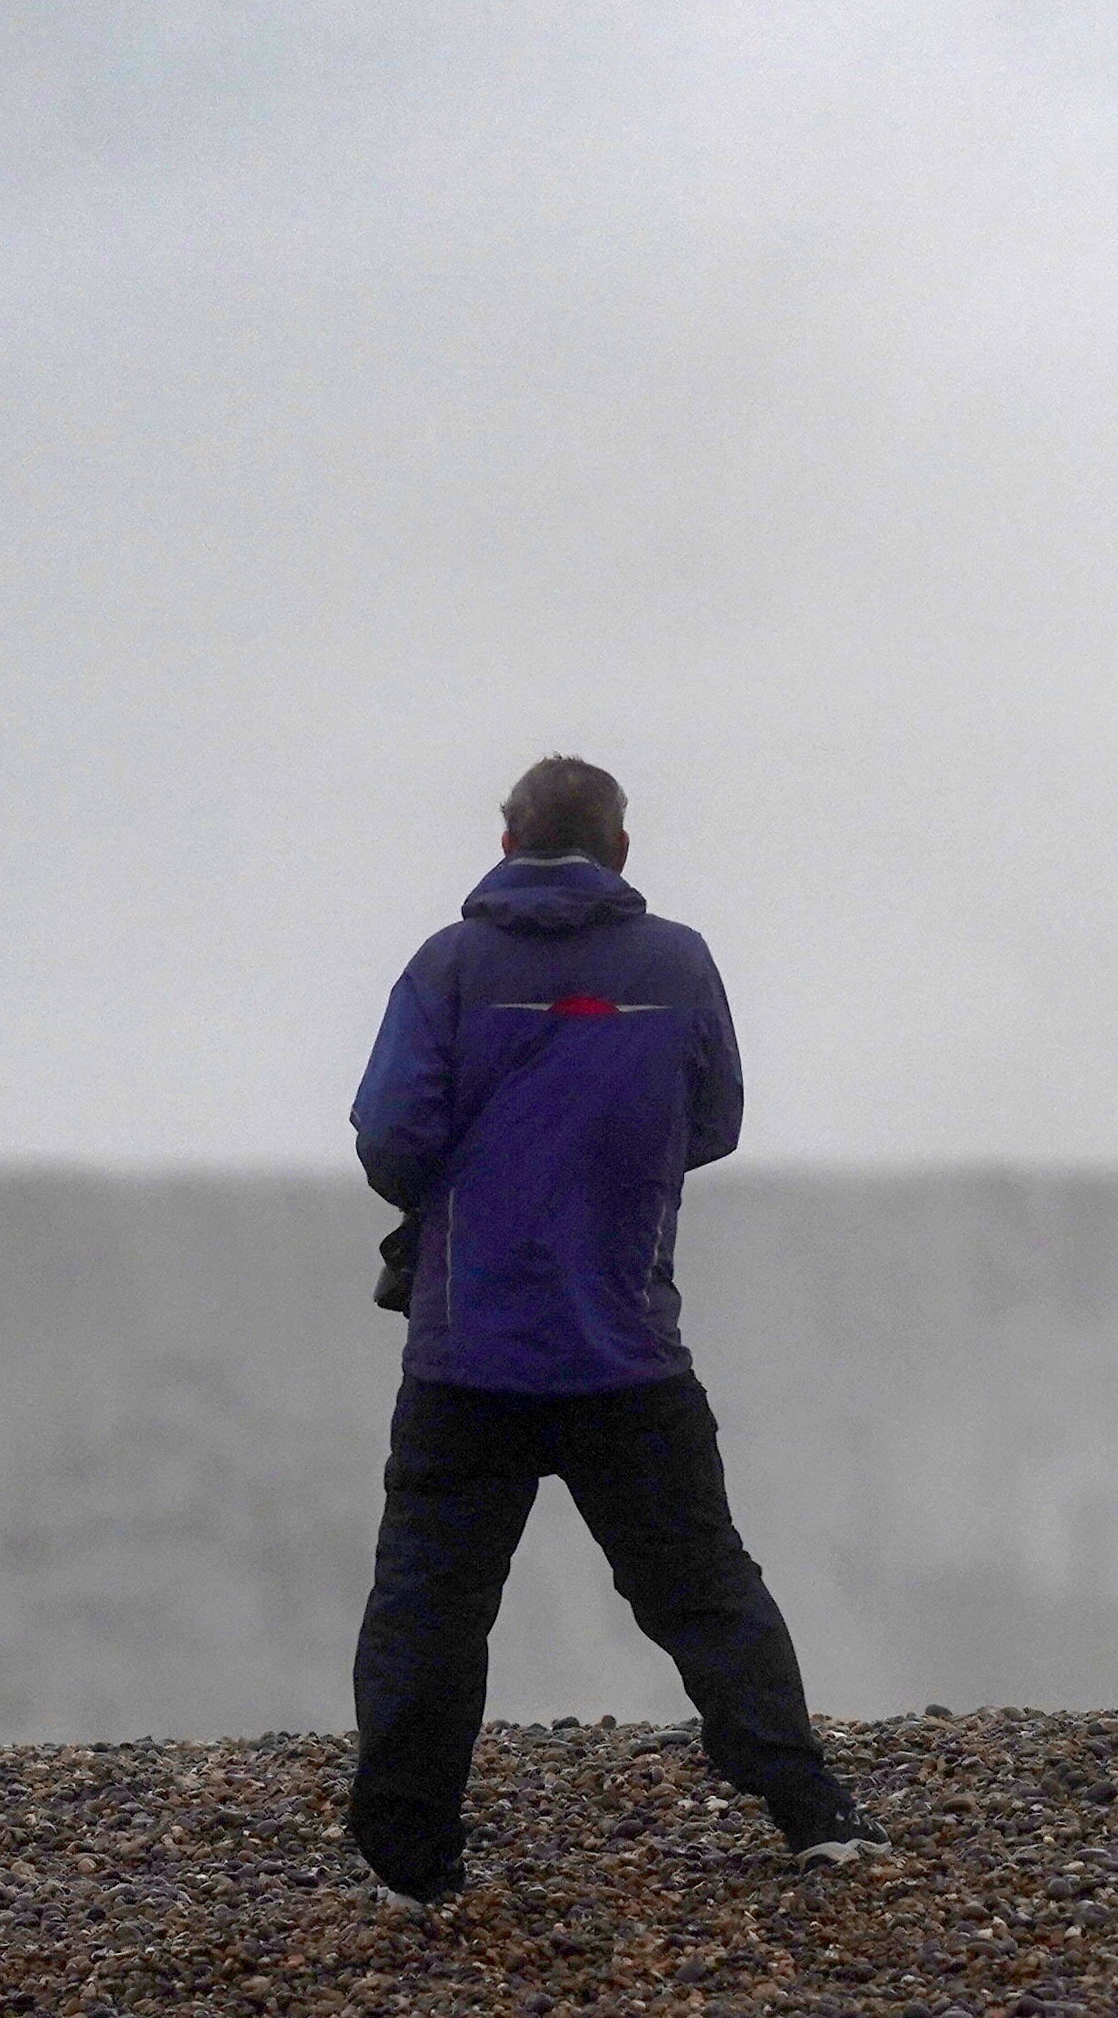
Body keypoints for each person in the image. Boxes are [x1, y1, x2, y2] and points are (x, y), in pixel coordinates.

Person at [343, 755, 881, 1904]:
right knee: (700, 1582)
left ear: (504, 844)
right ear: (620, 850)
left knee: (430, 1606)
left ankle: (408, 1856)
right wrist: (605, 1174)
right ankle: (808, 1807)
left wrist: (481, 1186)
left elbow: (391, 1136)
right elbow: (716, 1118)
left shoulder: (448, 965)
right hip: (623, 1345)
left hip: (467, 1349)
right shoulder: (674, 962)